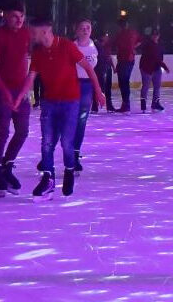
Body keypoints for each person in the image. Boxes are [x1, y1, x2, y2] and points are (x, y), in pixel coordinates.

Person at [12, 19, 106, 200]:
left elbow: (88, 68)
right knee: (47, 142)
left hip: (71, 102)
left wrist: (98, 92)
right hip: (49, 103)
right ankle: (48, 178)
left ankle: (69, 170)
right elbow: (31, 77)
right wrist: (19, 97)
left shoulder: (66, 46)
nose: (31, 36)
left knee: (66, 144)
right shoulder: (38, 52)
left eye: (34, 33)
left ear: (45, 32)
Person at [0, 3, 32, 197]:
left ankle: (7, 166)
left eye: (21, 16)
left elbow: (28, 60)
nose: (19, 20)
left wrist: (24, 91)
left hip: (20, 90)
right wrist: (5, 92)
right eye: (14, 16)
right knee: (3, 131)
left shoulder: (26, 34)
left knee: (22, 131)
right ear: (5, 16)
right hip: (0, 90)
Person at [73, 19, 98, 173]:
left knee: (81, 122)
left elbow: (98, 70)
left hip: (87, 87)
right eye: (82, 28)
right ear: (76, 30)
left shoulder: (95, 48)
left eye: (88, 27)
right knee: (67, 122)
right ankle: (47, 155)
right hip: (72, 86)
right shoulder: (71, 47)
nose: (85, 30)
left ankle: (75, 155)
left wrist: (98, 90)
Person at [113, 16, 140, 113]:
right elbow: (140, 40)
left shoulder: (123, 34)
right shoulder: (126, 33)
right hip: (125, 60)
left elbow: (140, 40)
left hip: (126, 60)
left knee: (123, 82)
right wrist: (133, 48)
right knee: (123, 82)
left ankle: (126, 105)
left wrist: (133, 48)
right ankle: (125, 104)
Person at [138, 30, 169, 113]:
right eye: (154, 35)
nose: (155, 36)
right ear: (151, 36)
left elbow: (159, 58)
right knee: (146, 86)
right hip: (146, 68)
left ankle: (155, 103)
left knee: (157, 86)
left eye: (157, 35)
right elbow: (154, 58)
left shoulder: (160, 46)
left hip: (156, 68)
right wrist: (164, 67)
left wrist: (162, 66)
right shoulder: (148, 45)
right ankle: (143, 104)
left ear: (159, 36)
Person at [93, 32, 116, 113]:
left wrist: (113, 67)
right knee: (99, 87)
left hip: (107, 67)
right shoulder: (96, 45)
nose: (107, 37)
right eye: (106, 36)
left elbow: (109, 57)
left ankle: (109, 106)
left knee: (108, 88)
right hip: (99, 68)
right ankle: (94, 106)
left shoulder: (107, 46)